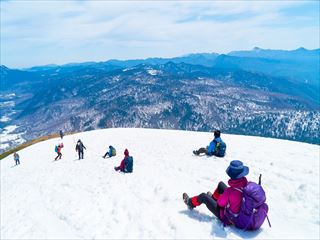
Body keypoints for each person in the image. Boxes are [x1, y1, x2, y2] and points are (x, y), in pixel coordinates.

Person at [182, 160, 249, 227]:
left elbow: (220, 203)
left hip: (229, 218)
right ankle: (212, 198)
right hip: (240, 212)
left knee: (203, 196)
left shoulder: (229, 191)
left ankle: (189, 202)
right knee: (221, 185)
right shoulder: (247, 185)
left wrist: (225, 197)